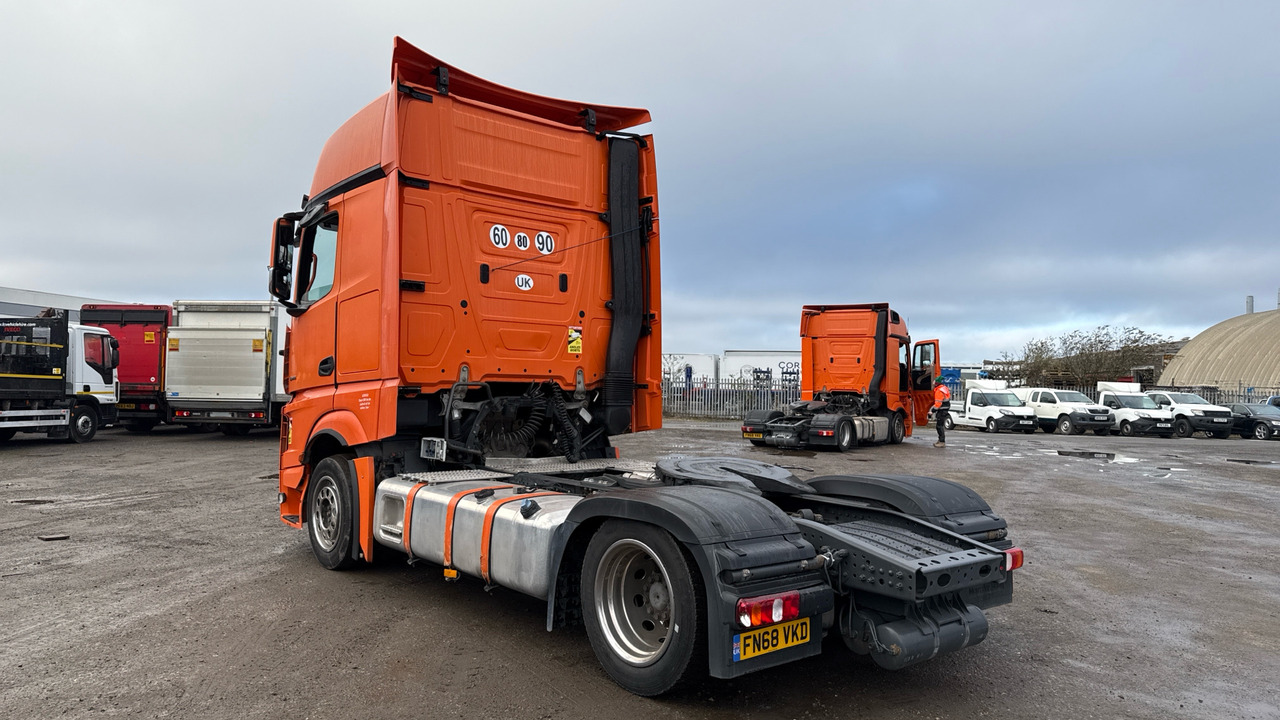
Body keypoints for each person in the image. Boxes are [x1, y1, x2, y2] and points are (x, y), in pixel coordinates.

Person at [933, 376, 951, 448]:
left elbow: (938, 403)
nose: (933, 382)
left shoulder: (939, 391)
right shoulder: (944, 388)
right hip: (945, 409)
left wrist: (933, 410)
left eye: (934, 381)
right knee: (940, 425)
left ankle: (941, 441)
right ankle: (940, 440)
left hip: (942, 409)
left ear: (937, 383)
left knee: (939, 426)